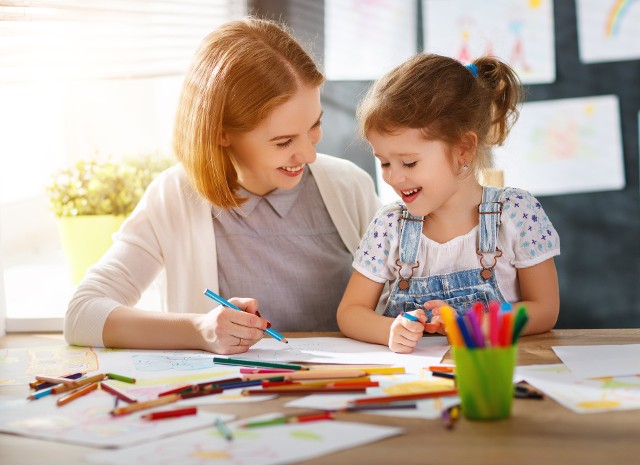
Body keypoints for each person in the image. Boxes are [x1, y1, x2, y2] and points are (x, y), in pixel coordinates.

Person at [64, 17, 381, 355]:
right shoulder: (174, 197)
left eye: (315, 126)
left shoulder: (349, 188)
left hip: (343, 390)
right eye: (283, 140)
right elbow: (82, 315)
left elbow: (401, 294)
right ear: (221, 132)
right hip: (231, 398)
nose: (308, 154)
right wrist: (199, 330)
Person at [337, 54, 560, 353]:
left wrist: (475, 326)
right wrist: (389, 329)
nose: (393, 177)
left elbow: (544, 309)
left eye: (409, 162)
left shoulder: (516, 213)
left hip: (493, 374)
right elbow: (350, 312)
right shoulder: (389, 226)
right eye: (385, 162)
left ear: (463, 149)